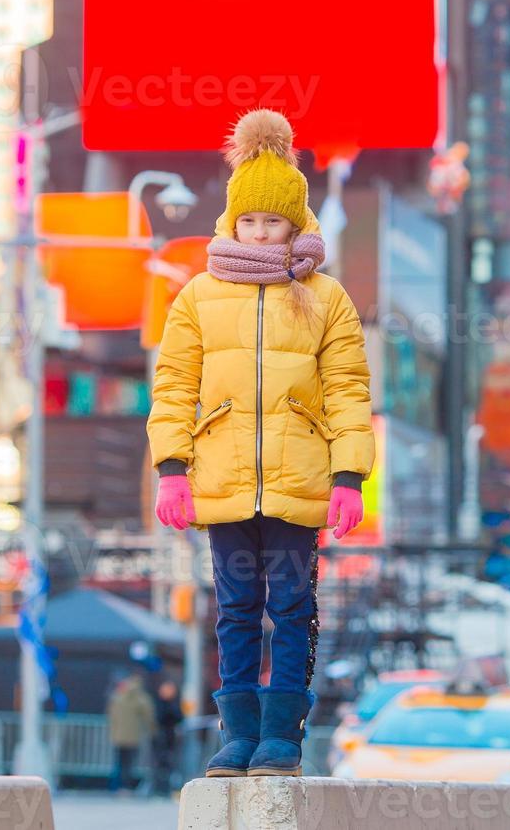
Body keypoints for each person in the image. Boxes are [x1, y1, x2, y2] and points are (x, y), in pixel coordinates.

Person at [146, 108, 375, 778]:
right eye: (248, 221)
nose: (259, 232)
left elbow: (348, 391)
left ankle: (283, 737)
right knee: (236, 611)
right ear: (231, 221)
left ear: (295, 223)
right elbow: (173, 386)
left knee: (293, 609)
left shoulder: (326, 298)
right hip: (222, 483)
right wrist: (171, 470)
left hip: (299, 483)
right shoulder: (196, 295)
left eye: (272, 221)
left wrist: (348, 477)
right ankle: (239, 736)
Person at [106, 671, 155, 791]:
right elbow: (149, 716)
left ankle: (117, 787)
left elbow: (111, 715)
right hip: (133, 736)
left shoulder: (118, 696)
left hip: (118, 736)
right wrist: (152, 730)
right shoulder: (141, 698)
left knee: (119, 763)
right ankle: (127, 787)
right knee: (130, 764)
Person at [152, 679, 183, 795]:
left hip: (170, 738)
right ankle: (158, 789)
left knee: (170, 763)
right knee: (159, 763)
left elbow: (179, 717)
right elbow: (159, 718)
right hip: (159, 737)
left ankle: (167, 789)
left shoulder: (174, 702)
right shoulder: (158, 703)